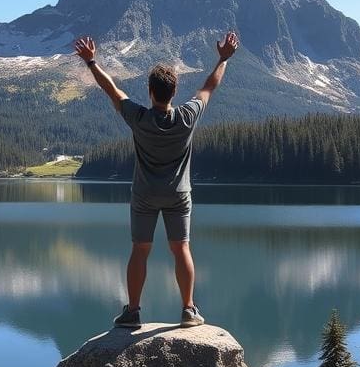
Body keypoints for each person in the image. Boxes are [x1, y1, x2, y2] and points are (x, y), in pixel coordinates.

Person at [73, 31, 239, 329]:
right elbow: (209, 88)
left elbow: (112, 90)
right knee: (182, 249)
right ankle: (188, 310)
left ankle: (133, 312)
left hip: (145, 195)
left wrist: (92, 62)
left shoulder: (139, 118)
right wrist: (223, 59)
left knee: (140, 250)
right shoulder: (187, 116)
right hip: (179, 195)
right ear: (174, 93)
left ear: (150, 91)